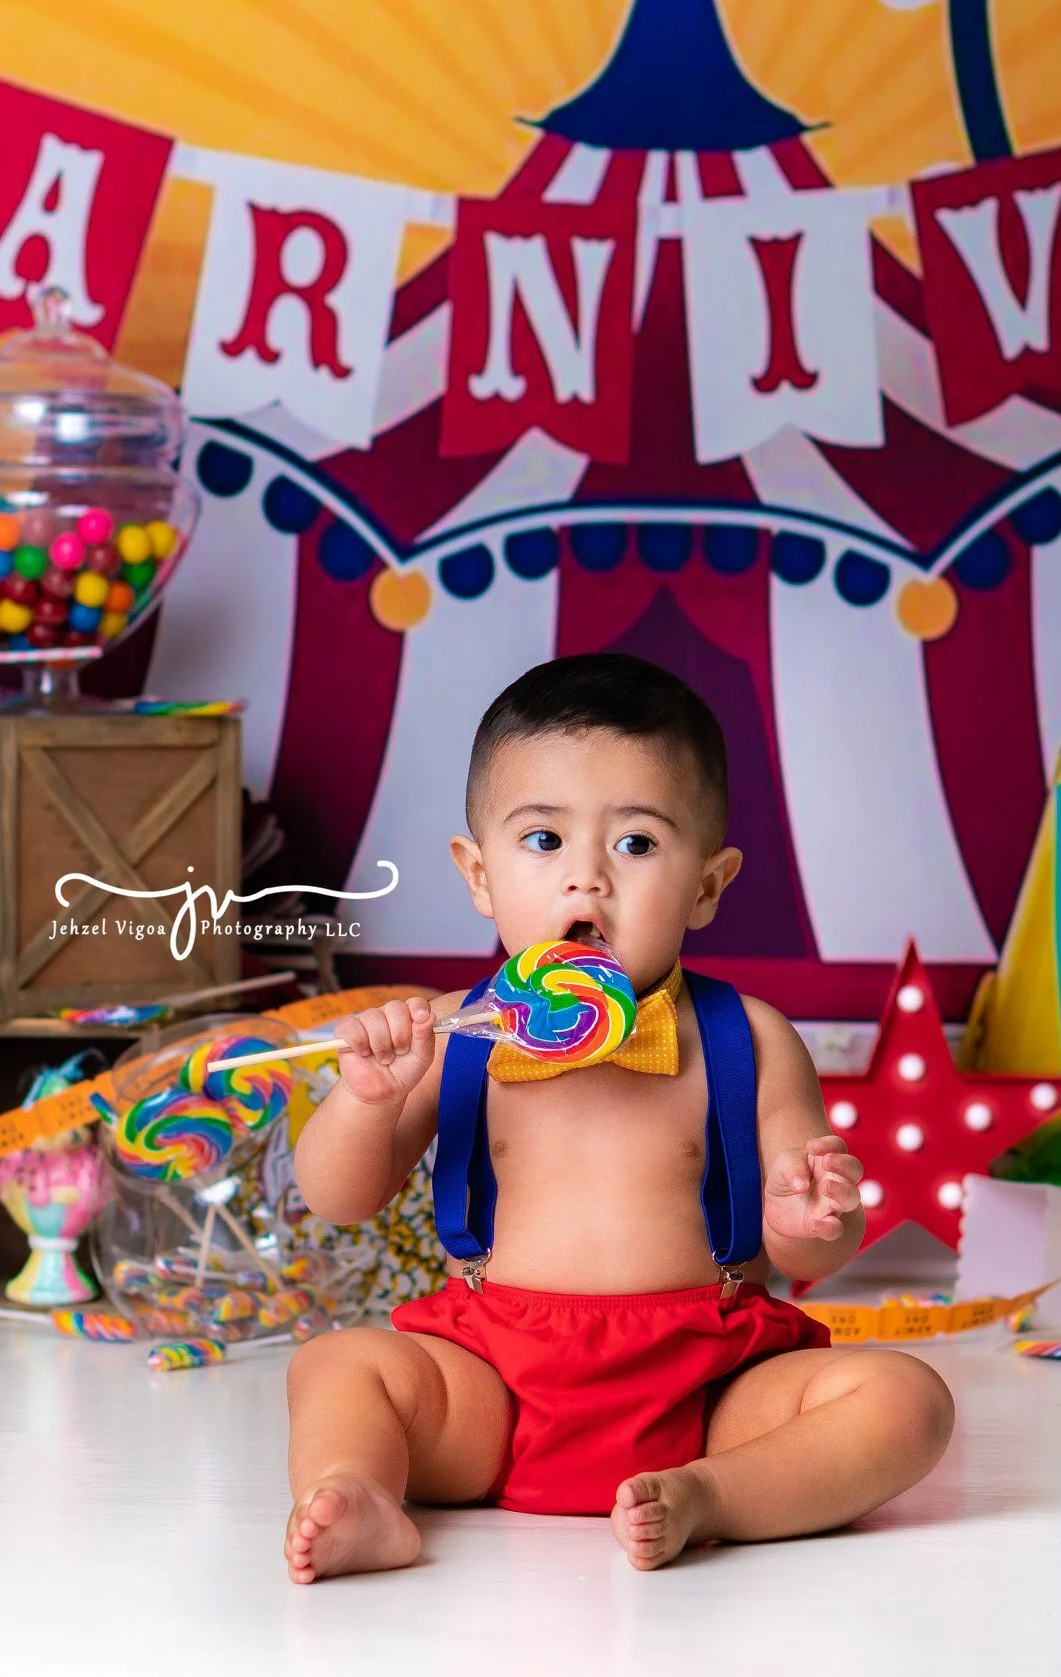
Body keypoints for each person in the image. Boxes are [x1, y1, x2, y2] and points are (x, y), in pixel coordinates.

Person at [284, 653, 954, 1583]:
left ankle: (714, 1495)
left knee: (907, 1401)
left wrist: (812, 1218)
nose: (586, 881)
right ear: (478, 874)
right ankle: (357, 1490)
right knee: (337, 1366)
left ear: (707, 885)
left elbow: (817, 1250)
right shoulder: (447, 1033)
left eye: (636, 844)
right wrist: (367, 1100)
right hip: (493, 1387)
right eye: (543, 840)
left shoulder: (751, 1039)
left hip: (711, 1389)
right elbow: (337, 1197)